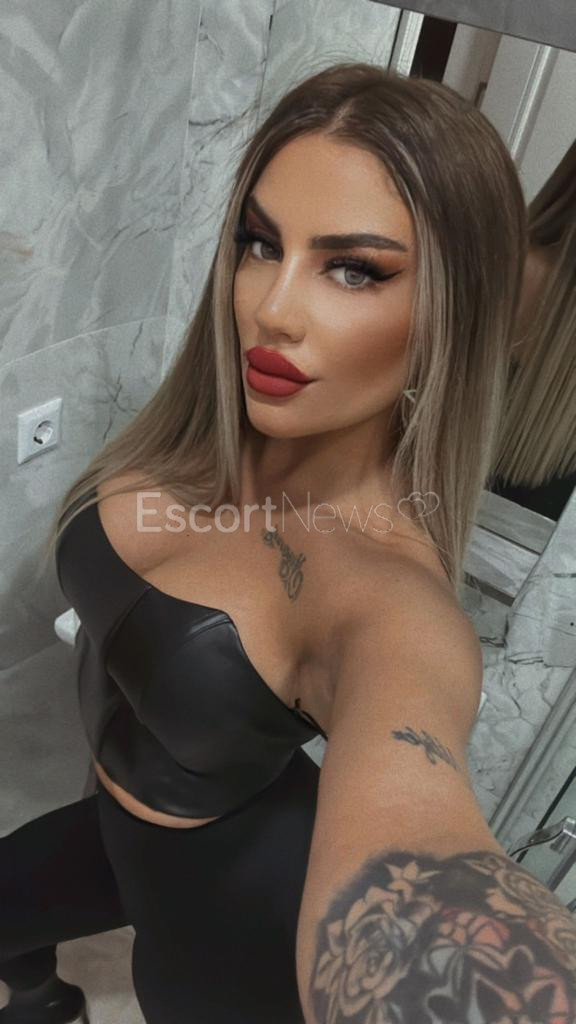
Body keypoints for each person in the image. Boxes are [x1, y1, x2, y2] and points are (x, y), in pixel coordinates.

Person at [2, 62, 576, 1024]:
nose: (271, 307)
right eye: (262, 244)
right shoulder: (197, 434)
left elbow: (425, 858)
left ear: (453, 311)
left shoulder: (391, 606)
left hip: (221, 927)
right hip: (113, 823)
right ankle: (40, 1002)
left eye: (356, 269)